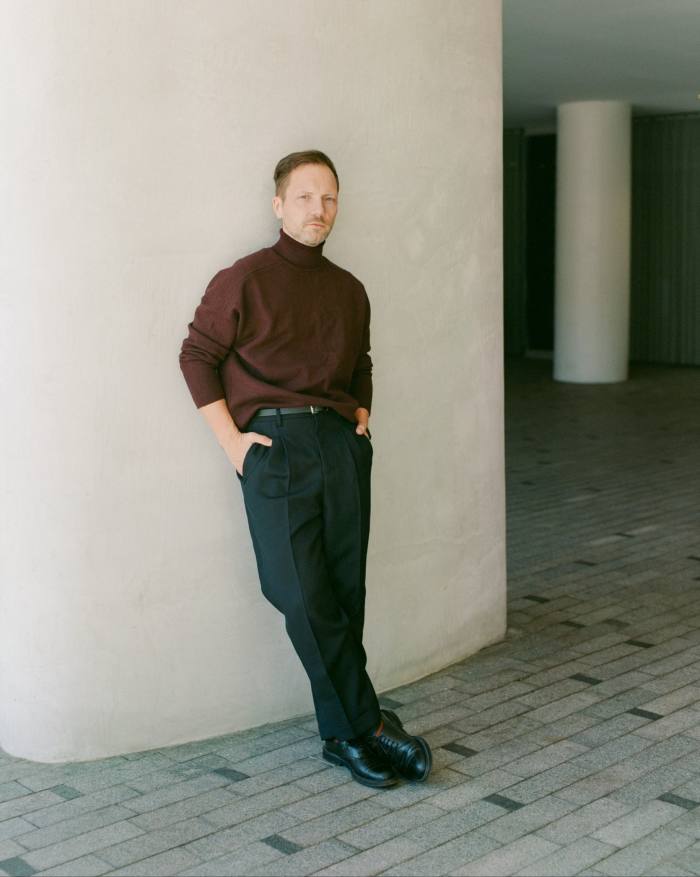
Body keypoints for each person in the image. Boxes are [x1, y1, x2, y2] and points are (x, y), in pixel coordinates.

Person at [179, 150, 432, 788]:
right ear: (278, 204)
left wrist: (362, 415)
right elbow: (195, 357)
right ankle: (371, 727)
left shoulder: (350, 289)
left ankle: (340, 735)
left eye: (329, 199)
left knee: (344, 593)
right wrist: (232, 444)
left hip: (340, 448)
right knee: (302, 595)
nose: (317, 210)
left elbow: (361, 362)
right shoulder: (243, 279)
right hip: (274, 449)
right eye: (304, 197)